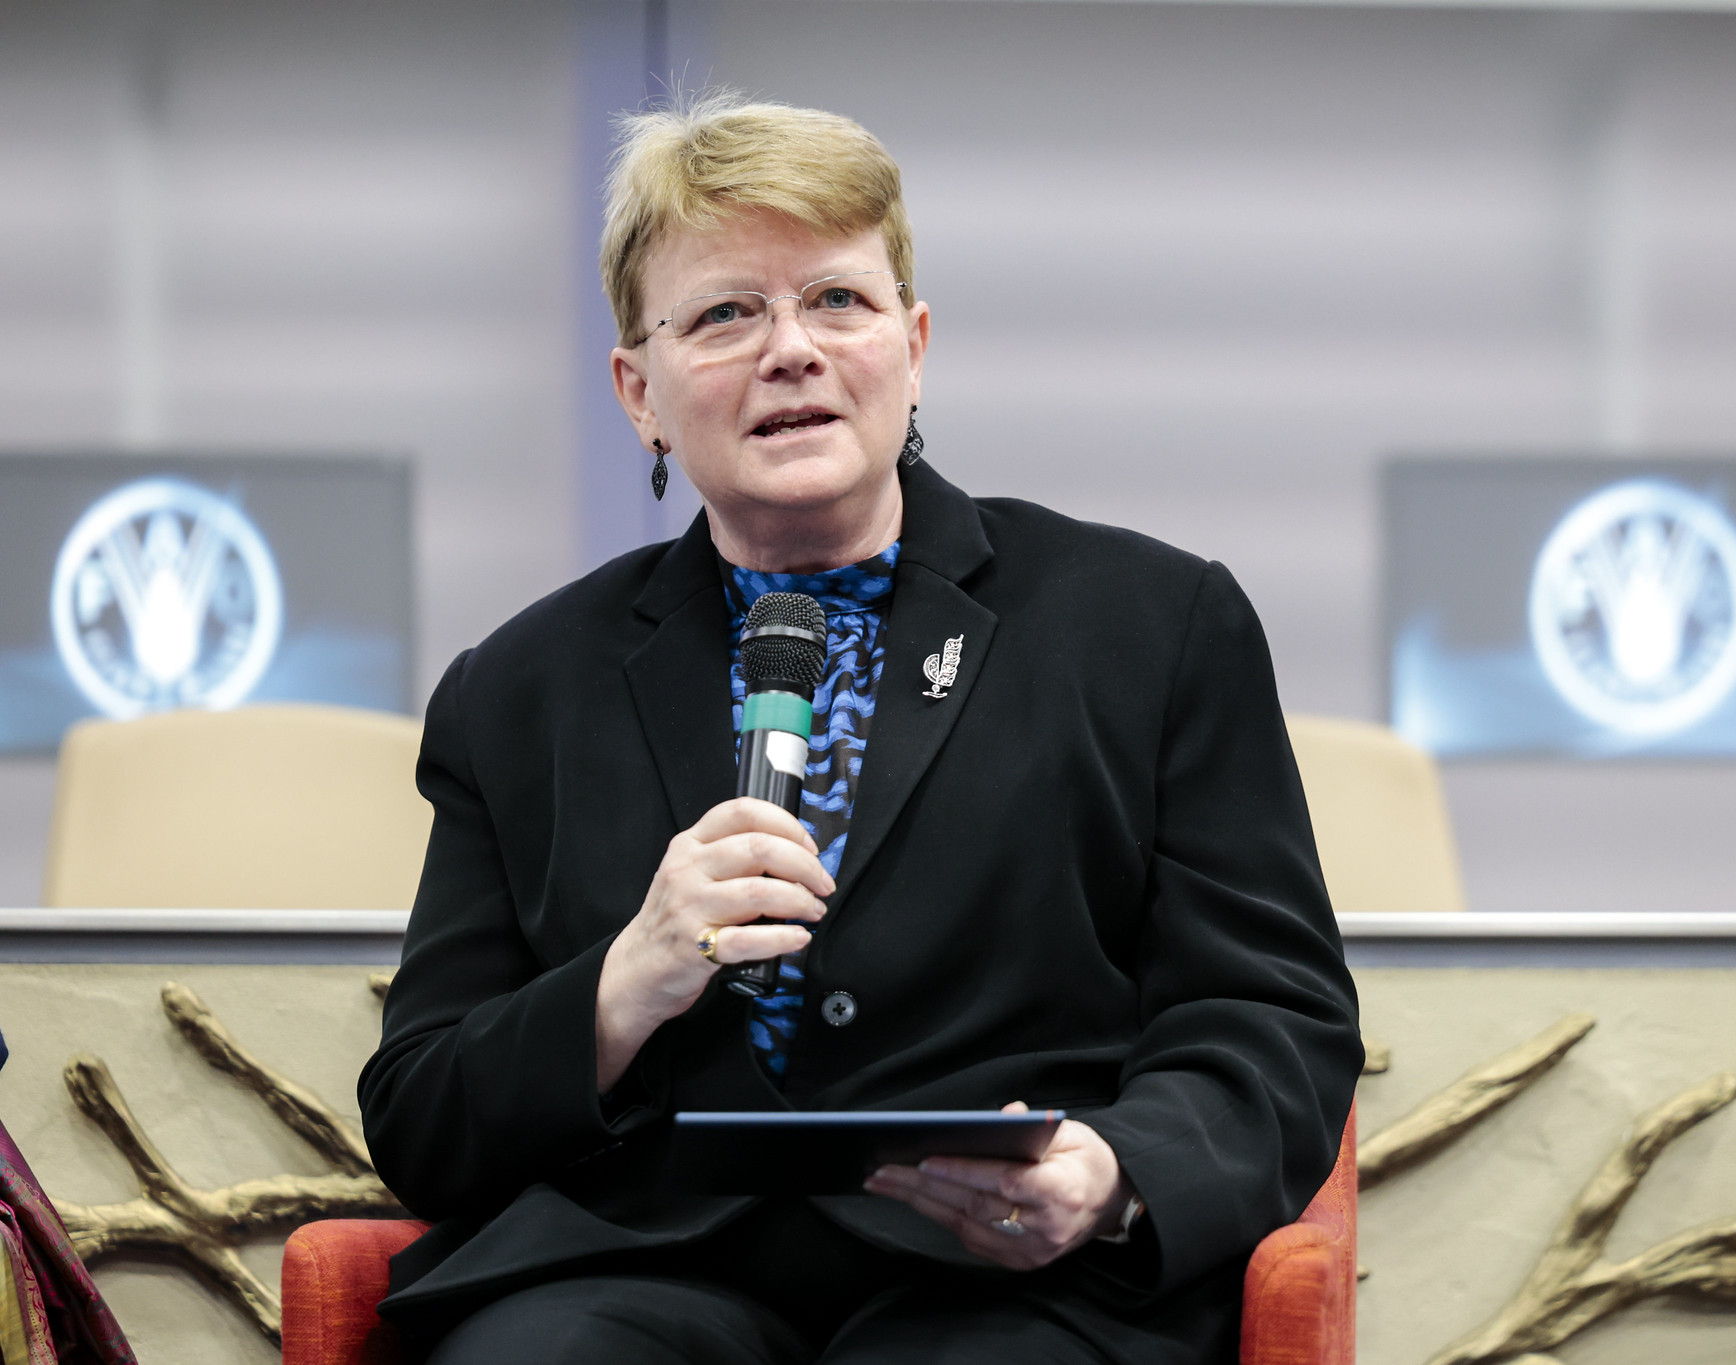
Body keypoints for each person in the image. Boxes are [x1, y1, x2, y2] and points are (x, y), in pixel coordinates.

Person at [358, 94, 1362, 1364]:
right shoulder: (519, 689)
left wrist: (1111, 1173)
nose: (791, 350)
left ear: (913, 343)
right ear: (638, 391)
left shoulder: (1148, 625)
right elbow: (420, 1110)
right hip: (635, 1262)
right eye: (726, 313)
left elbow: (1270, 1013)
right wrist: (623, 987)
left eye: (837, 300)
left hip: (1012, 1279)